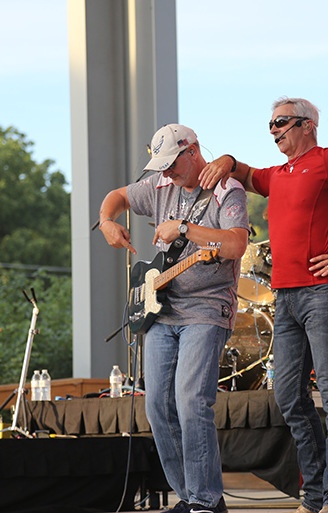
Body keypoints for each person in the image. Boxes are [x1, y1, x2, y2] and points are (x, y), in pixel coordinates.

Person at [199, 98, 328, 513]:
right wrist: (227, 159)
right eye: (270, 124)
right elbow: (248, 173)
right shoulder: (279, 174)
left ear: (307, 125)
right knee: (288, 395)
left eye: (282, 122)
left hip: (324, 293)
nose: (274, 130)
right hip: (285, 296)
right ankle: (315, 491)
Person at [99, 124, 249, 513]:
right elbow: (116, 196)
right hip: (162, 308)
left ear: (193, 150)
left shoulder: (226, 190)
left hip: (207, 306)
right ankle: (194, 498)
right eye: (160, 166)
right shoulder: (159, 187)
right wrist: (106, 221)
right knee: (156, 407)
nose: (165, 173)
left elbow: (235, 243)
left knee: (190, 401)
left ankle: (204, 498)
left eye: (171, 164)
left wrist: (183, 228)